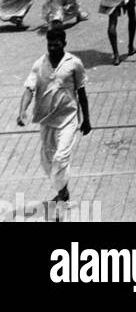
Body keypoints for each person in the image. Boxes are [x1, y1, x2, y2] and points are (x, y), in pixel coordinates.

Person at [16, 25, 91, 220]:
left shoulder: (74, 64)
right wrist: (22, 111)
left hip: (68, 120)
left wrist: (87, 119)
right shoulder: (39, 64)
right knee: (47, 163)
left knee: (60, 158)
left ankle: (60, 198)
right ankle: (63, 191)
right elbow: (29, 89)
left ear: (64, 44)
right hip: (46, 121)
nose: (53, 49)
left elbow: (82, 92)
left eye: (56, 45)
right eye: (50, 45)